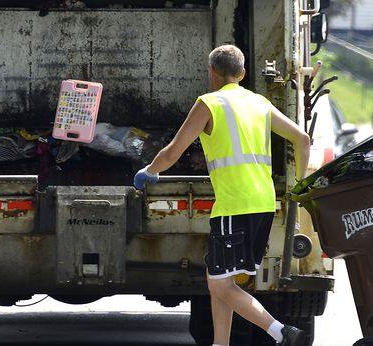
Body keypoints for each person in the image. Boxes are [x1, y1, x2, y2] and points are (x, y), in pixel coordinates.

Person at [133, 44, 311, 346]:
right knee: (221, 282)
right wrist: (299, 184)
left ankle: (281, 333)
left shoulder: (209, 104)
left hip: (233, 206)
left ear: (211, 73)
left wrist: (150, 170)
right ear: (242, 73)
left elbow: (173, 151)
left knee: (221, 285)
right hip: (264, 204)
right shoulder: (260, 103)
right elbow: (303, 139)